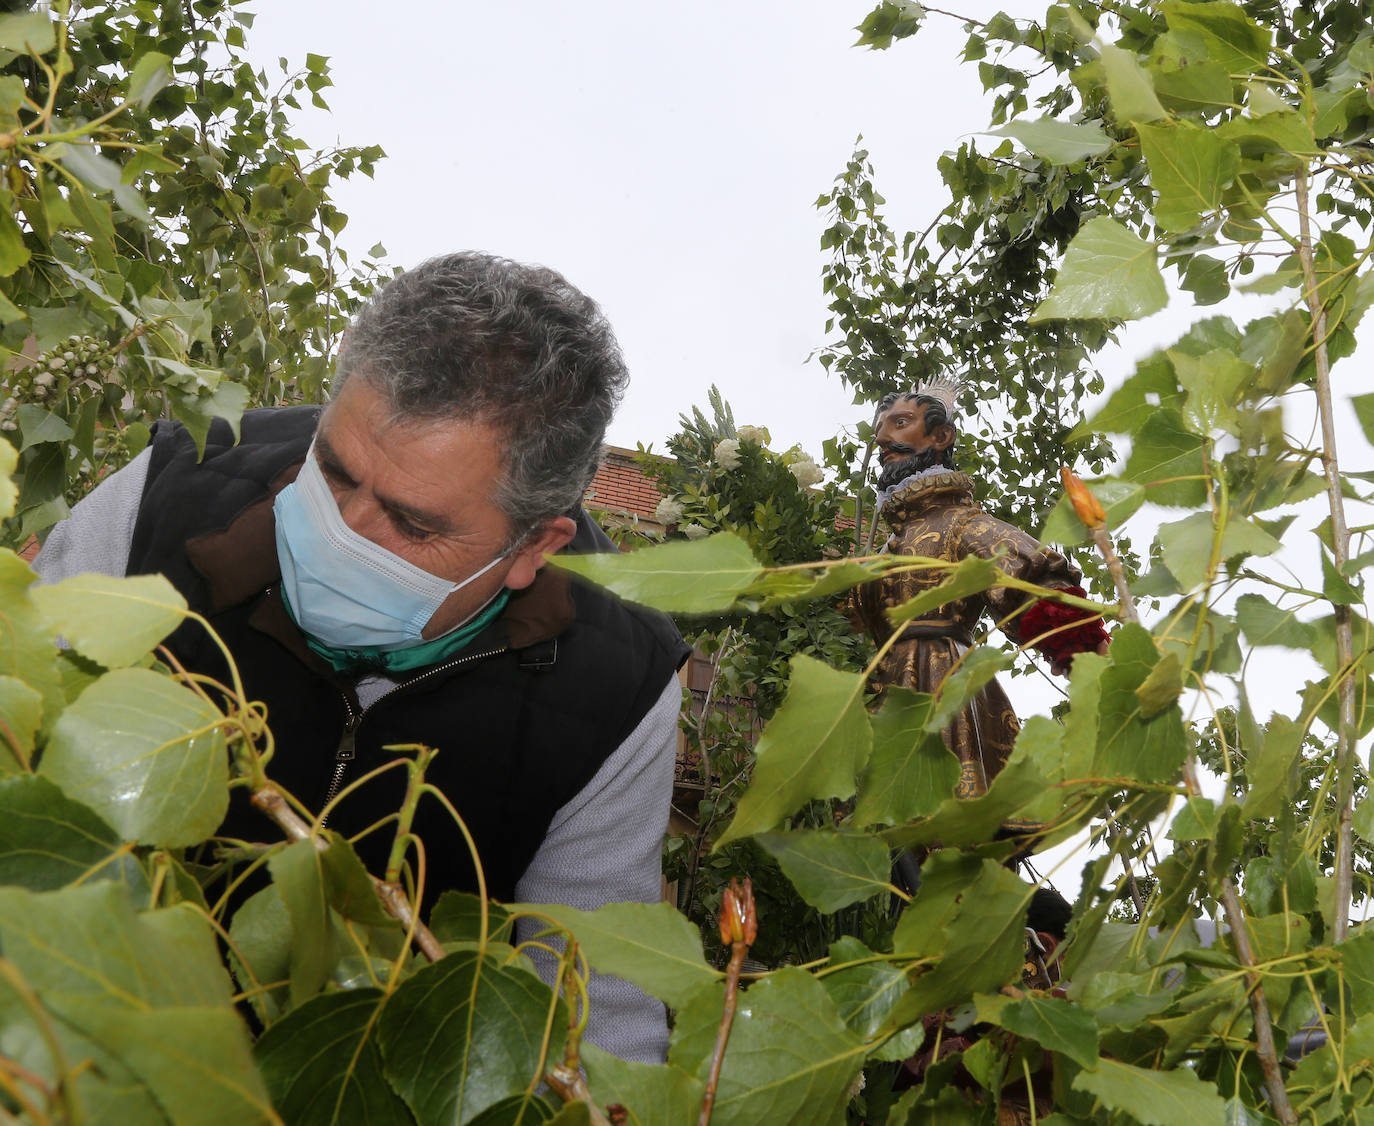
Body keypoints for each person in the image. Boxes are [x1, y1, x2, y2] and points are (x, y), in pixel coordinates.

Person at [34, 252, 690, 1063]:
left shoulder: (617, 685)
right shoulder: (165, 497)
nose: (342, 531)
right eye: (335, 472)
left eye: (413, 526)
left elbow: (595, 1016)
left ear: (533, 547)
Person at [850, 379, 1109, 827]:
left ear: (941, 437)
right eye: (881, 427)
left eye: (900, 423)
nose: (881, 438)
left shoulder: (959, 524)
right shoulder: (886, 545)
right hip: (882, 697)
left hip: (941, 686)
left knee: (944, 829)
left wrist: (1088, 667)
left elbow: (1033, 579)